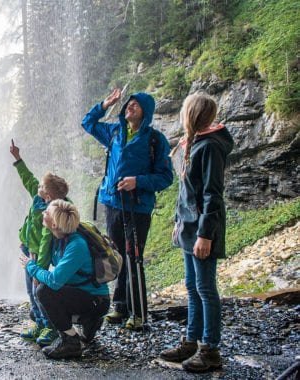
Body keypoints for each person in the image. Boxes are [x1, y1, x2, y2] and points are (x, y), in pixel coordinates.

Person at [81, 90, 173, 330]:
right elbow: (87, 123)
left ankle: (139, 313)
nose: (130, 106)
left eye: (136, 104)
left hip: (137, 207)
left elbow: (165, 177)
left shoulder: (155, 140)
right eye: (128, 103)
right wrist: (105, 103)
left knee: (134, 258)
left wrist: (138, 181)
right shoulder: (114, 132)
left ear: (146, 112)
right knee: (117, 255)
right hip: (112, 203)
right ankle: (120, 306)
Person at [159, 93, 233, 372]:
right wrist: (179, 222)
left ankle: (210, 349)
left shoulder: (210, 146)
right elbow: (187, 192)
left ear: (192, 114)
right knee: (192, 286)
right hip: (189, 227)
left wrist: (205, 234)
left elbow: (212, 195)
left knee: (205, 288)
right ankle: (191, 340)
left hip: (203, 230)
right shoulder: (193, 142)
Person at [20, 199, 110, 359]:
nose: (43, 213)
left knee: (44, 292)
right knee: (38, 313)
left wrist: (31, 267)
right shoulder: (58, 238)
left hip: (96, 300)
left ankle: (71, 342)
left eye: (46, 212)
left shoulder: (77, 245)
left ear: (54, 224)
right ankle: (89, 322)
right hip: (81, 294)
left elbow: (55, 281)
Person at [10, 139, 69, 347]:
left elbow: (46, 241)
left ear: (49, 194)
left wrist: (40, 268)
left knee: (37, 288)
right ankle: (38, 322)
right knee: (29, 290)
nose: (38, 186)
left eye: (42, 186)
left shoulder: (51, 212)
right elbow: (28, 178)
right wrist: (18, 158)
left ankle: (48, 326)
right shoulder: (39, 197)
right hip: (28, 248)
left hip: (37, 254)